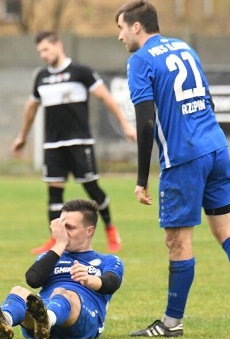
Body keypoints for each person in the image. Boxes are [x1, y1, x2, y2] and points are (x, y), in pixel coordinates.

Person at [113, 0, 230, 337]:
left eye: (121, 28)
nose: (120, 37)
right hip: (216, 147)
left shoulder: (140, 60)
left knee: (178, 241)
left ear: (136, 27)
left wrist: (142, 178)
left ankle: (172, 323)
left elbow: (144, 122)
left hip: (184, 158)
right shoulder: (184, 48)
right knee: (226, 230)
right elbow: (207, 100)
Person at [12, 31, 137, 254]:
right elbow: (30, 108)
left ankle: (110, 229)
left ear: (58, 45)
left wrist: (126, 125)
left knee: (92, 189)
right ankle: (54, 240)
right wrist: (22, 136)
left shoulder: (81, 73)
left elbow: (106, 98)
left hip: (80, 143)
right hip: (53, 145)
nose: (43, 54)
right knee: (54, 194)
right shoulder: (41, 77)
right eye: (39, 51)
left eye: (46, 49)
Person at [0, 199, 124, 339]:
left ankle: (48, 319)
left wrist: (90, 280)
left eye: (70, 228)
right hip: (41, 318)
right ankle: (5, 320)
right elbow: (33, 280)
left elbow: (112, 282)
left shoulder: (108, 260)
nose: (63, 233)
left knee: (63, 293)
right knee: (19, 291)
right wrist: (59, 245)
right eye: (61, 226)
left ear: (89, 231)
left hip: (82, 321)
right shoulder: (51, 256)